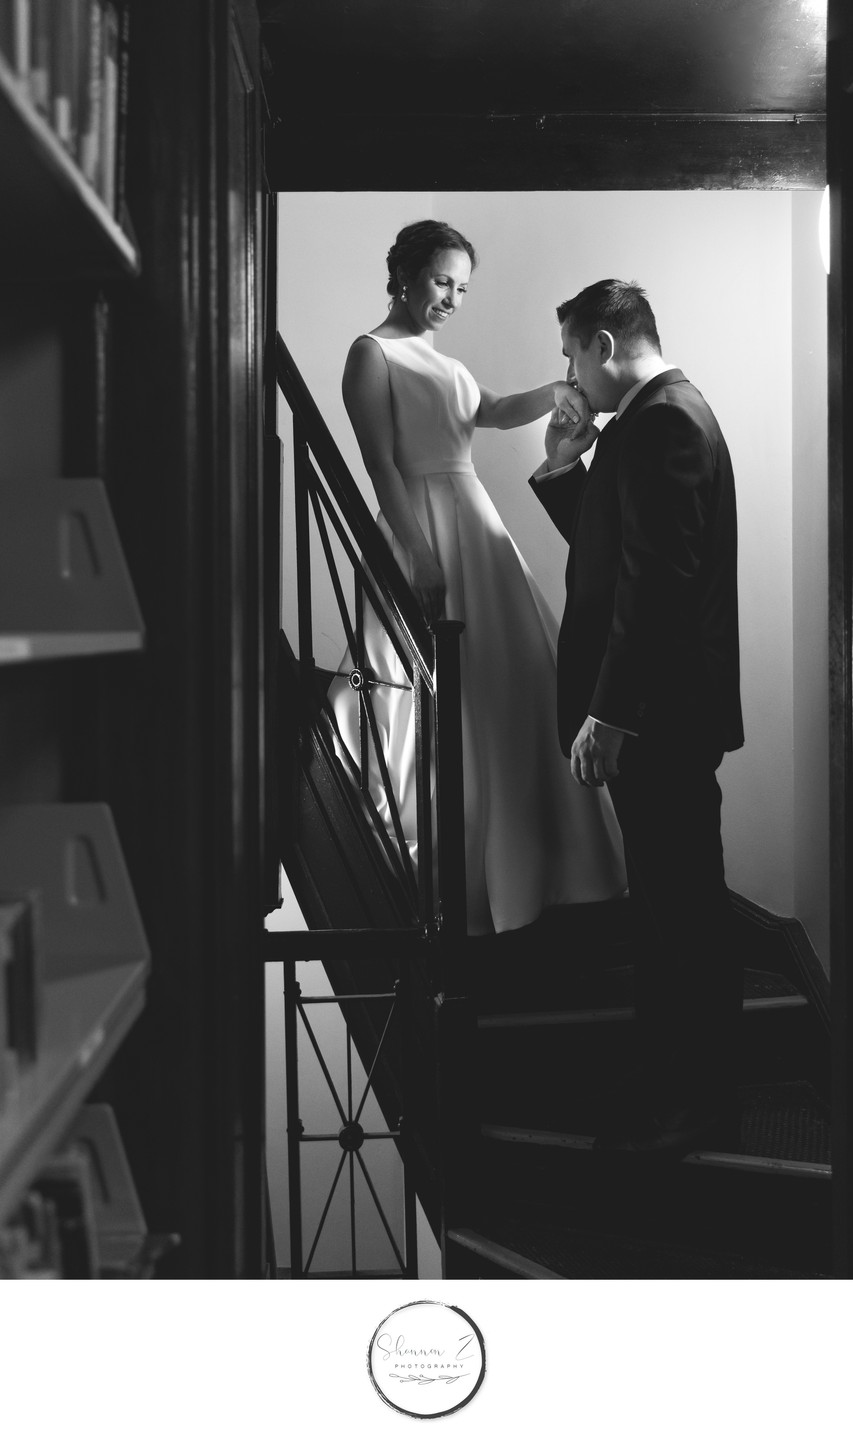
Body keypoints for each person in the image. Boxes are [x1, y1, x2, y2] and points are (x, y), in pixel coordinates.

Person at [330, 220, 626, 937]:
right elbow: (380, 467)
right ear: (403, 274)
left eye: (462, 286)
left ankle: (539, 873)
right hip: (422, 526)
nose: (452, 298)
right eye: (441, 282)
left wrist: (559, 387)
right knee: (444, 695)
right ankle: (453, 878)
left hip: (475, 527)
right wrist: (417, 553)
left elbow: (489, 411)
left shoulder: (441, 360)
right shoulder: (371, 355)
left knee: (518, 678)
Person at [530, 277, 744, 1155]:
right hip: (658, 717)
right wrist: (559, 463)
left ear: (606, 345)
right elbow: (615, 551)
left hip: (658, 719)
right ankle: (669, 1084)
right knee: (663, 909)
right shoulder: (648, 421)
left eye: (573, 356)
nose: (571, 375)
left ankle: (696, 1104)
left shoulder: (664, 422)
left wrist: (611, 714)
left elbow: (656, 585)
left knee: (680, 913)